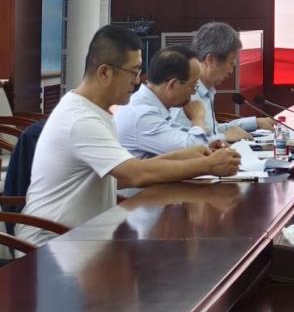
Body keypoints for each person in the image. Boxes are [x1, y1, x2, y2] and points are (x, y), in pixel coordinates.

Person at [15, 26, 241, 247]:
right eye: (133, 72)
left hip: (84, 235)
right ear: (105, 72)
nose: (137, 81)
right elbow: (135, 175)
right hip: (51, 243)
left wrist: (186, 155)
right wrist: (207, 165)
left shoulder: (99, 112)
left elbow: (118, 178)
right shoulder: (81, 119)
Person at [114, 45, 227, 159]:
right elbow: (195, 150)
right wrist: (198, 118)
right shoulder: (142, 115)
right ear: (172, 85)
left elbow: (179, 136)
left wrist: (209, 143)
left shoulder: (152, 105)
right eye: (193, 86)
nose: (193, 93)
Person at [169, 22, 274, 141]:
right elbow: (180, 143)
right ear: (210, 60)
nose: (231, 71)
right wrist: (223, 138)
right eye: (231, 62)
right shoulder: (186, 94)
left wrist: (255, 122)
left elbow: (213, 131)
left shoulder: (206, 90)